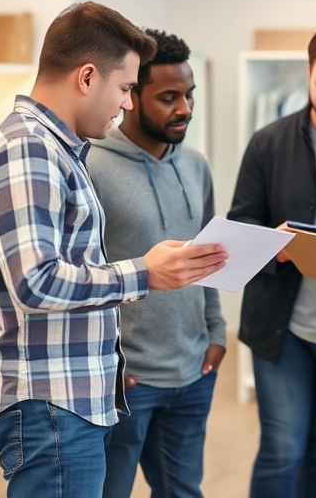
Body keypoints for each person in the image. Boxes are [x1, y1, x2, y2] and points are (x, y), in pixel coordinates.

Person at [0, 2, 228, 498]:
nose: (128, 103)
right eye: (126, 87)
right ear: (88, 77)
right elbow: (36, 282)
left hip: (66, 397)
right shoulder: (29, 149)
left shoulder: (57, 149)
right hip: (50, 402)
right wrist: (144, 273)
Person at [229, 24, 316, 498]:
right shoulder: (267, 143)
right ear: (308, 75)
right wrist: (278, 246)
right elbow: (239, 233)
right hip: (281, 328)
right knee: (282, 448)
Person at [87, 29, 225, 498]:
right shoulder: (91, 167)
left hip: (193, 371)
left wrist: (216, 333)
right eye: (169, 97)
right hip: (128, 379)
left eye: (189, 95)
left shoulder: (196, 166)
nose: (184, 108)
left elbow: (209, 257)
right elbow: (84, 272)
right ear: (131, 96)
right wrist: (107, 360)